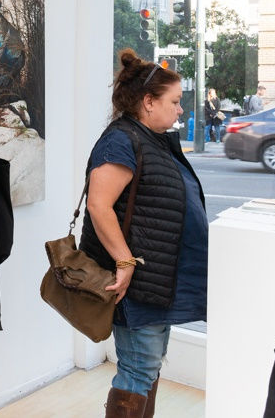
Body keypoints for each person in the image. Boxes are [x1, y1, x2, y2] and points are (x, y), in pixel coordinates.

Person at [79, 49, 208, 417]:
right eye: (175, 101)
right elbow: (98, 205)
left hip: (156, 282)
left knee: (147, 367)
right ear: (148, 102)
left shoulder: (150, 139)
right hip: (136, 285)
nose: (180, 110)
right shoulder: (121, 141)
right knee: (138, 370)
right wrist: (124, 261)